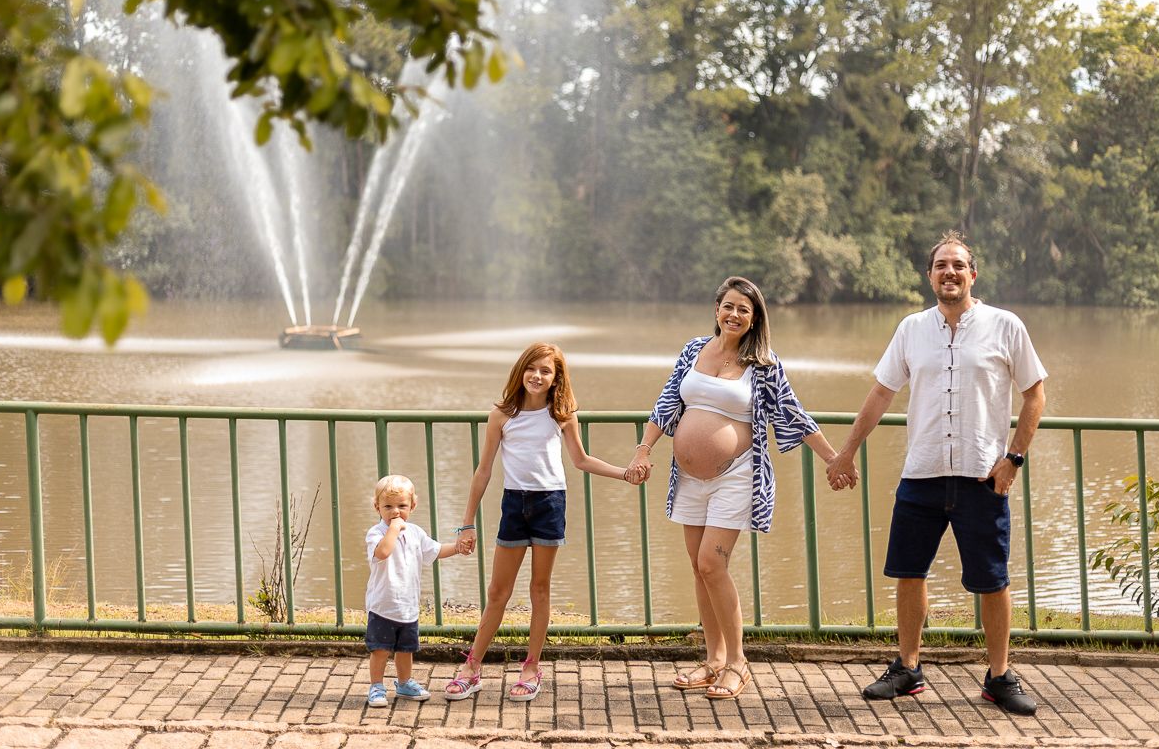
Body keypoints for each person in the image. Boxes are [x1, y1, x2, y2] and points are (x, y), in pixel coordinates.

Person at [826, 231, 1047, 716]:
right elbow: (881, 393)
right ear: (930, 276)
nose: (949, 273)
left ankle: (998, 677)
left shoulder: (1005, 326)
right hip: (921, 473)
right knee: (909, 574)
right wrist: (846, 451)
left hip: (981, 478)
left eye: (958, 265)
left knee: (993, 581)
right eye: (941, 265)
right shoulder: (911, 329)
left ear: (973, 274)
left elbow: (1035, 395)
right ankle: (907, 670)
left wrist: (1014, 459)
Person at [624, 276, 848, 700]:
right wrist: (643, 450)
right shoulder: (693, 350)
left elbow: (792, 413)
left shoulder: (763, 364)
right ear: (716, 310)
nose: (734, 314)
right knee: (698, 567)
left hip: (737, 476)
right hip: (688, 478)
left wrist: (834, 459)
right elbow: (667, 402)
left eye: (744, 309)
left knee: (712, 563)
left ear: (754, 318)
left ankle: (738, 663)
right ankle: (712, 660)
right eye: (728, 306)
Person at [443, 342, 641, 702]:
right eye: (531, 368)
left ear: (556, 378)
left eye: (546, 371)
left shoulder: (561, 414)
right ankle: (471, 668)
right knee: (497, 593)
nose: (537, 375)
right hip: (514, 505)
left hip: (550, 503)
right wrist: (467, 522)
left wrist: (624, 474)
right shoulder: (502, 414)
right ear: (521, 370)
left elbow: (581, 460)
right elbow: (484, 470)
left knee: (540, 590)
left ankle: (531, 667)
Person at [365, 474, 468, 706]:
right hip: (383, 604)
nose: (395, 512)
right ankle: (376, 686)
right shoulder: (376, 534)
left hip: (407, 605)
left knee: (405, 649)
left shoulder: (415, 532)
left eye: (402, 506)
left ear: (413, 505)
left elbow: (435, 550)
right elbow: (382, 553)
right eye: (388, 507)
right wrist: (394, 528)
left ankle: (404, 683)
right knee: (380, 649)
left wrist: (457, 548)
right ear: (377, 507)